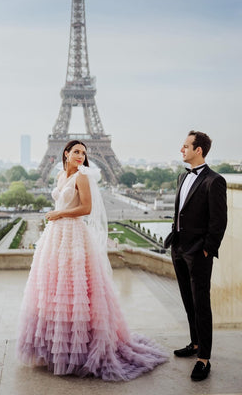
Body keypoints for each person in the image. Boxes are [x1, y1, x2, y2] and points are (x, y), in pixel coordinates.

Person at [17, 139, 168, 381]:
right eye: (76, 151)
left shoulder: (83, 177)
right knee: (56, 289)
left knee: (75, 289)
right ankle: (59, 348)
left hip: (73, 234)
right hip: (56, 236)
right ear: (66, 153)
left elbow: (86, 208)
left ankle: (78, 349)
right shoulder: (59, 177)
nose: (80, 155)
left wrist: (59, 213)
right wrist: (57, 215)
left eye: (83, 153)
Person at [164, 130, 227, 381]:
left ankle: (204, 358)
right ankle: (195, 343)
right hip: (179, 248)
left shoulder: (215, 180)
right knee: (188, 301)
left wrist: (207, 249)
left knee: (201, 305)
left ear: (198, 150)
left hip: (198, 252)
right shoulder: (182, 176)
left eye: (186, 146)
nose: (182, 150)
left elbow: (219, 221)